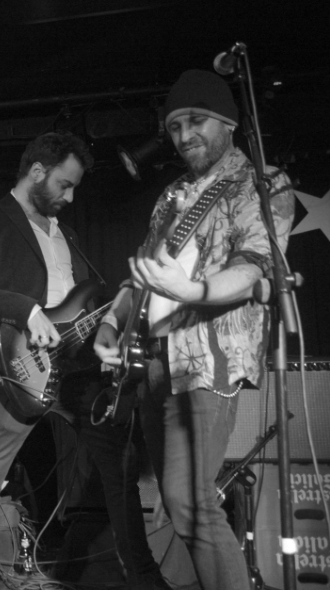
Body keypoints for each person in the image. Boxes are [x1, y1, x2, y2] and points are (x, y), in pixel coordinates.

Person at [0, 132, 170, 590]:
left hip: (81, 375)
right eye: (65, 184)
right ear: (38, 171)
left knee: (120, 474)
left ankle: (144, 578)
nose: (70, 196)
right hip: (22, 370)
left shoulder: (70, 236)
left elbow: (88, 308)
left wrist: (110, 333)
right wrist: (25, 310)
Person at [93, 69, 295, 590]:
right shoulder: (172, 194)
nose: (184, 136)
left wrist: (192, 290)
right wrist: (113, 321)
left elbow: (256, 266)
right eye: (175, 126)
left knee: (191, 503)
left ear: (228, 122)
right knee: (179, 502)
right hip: (153, 360)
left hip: (208, 358)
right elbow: (142, 273)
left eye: (197, 121)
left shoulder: (260, 181)